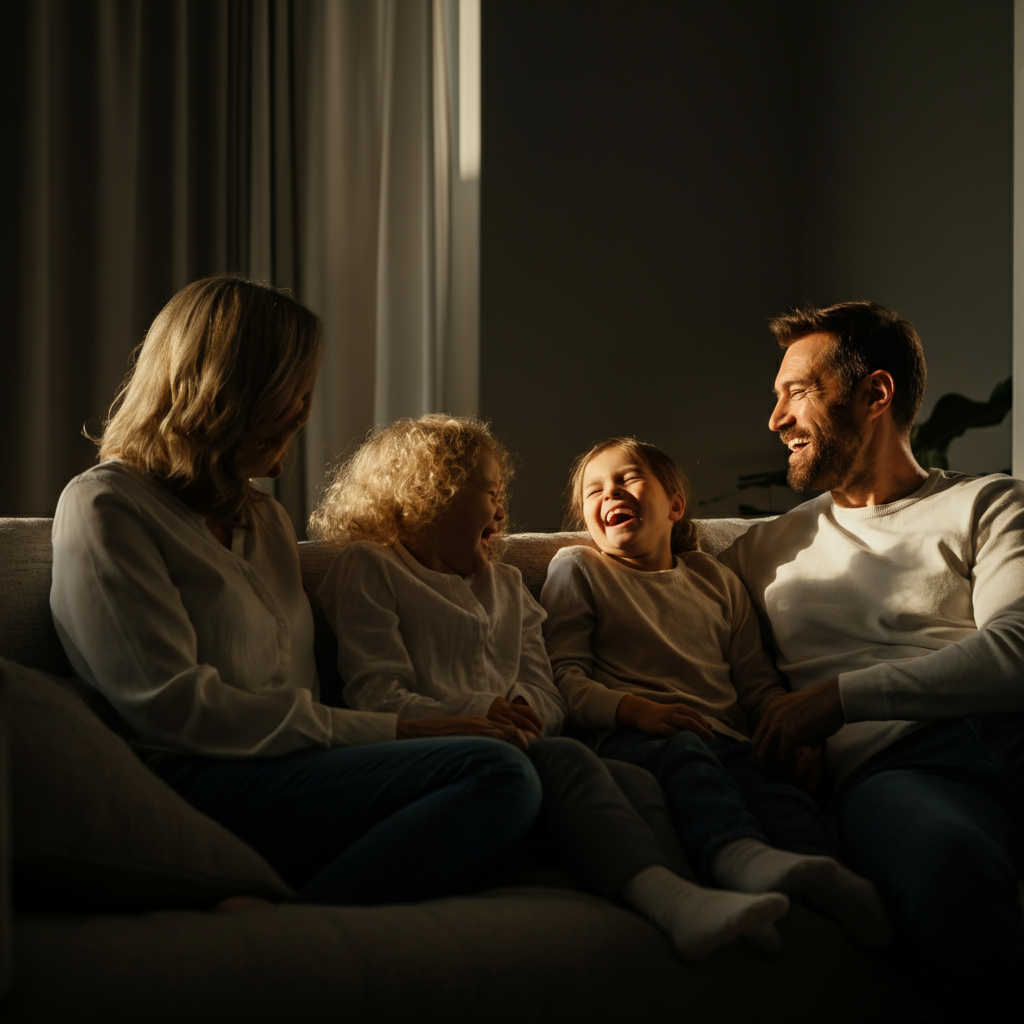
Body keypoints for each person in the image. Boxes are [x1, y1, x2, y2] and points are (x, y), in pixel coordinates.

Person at [49, 275, 542, 907]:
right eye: (295, 391)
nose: (306, 410)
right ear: (230, 389)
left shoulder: (266, 522)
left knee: (539, 770)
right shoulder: (106, 506)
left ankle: (288, 899)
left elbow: (300, 689)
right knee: (496, 776)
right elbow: (171, 707)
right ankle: (295, 927)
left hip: (301, 768)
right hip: (200, 777)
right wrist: (399, 731)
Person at [309, 414, 790, 961]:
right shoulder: (369, 569)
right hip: (430, 749)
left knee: (634, 781)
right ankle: (668, 900)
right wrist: (483, 710)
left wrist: (522, 709)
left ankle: (699, 898)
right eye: (489, 493)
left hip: (523, 745)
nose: (500, 510)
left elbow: (546, 689)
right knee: (568, 760)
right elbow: (377, 695)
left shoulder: (509, 585)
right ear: (429, 494)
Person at [718, 300, 1024, 1017]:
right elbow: (646, 595)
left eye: (796, 392)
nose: (775, 420)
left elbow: (1016, 651)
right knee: (947, 863)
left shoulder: (990, 503)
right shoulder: (759, 552)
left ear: (875, 395)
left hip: (1010, 732)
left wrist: (838, 698)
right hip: (898, 771)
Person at [540, 437, 892, 950]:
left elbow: (755, 682)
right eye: (593, 490)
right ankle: (739, 857)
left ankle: (820, 876)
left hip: (729, 738)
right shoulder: (579, 569)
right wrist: (636, 711)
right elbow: (564, 678)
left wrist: (791, 731)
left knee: (780, 789)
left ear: (675, 505)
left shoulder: (715, 578)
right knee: (689, 760)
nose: (609, 492)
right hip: (635, 736)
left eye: (628, 478)